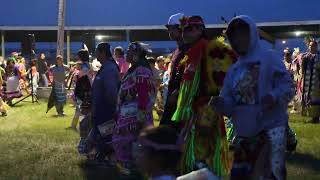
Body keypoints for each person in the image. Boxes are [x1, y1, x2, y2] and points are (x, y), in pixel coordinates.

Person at [211, 15, 294, 180]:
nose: (239, 39)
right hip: (243, 138)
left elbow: (288, 86)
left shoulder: (269, 58)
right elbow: (229, 103)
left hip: (270, 134)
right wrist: (221, 104)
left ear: (253, 34)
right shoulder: (234, 70)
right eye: (234, 36)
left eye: (243, 34)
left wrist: (273, 96)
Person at [171, 16, 232, 176]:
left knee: (203, 145)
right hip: (194, 106)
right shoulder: (192, 51)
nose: (185, 33)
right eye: (183, 30)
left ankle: (204, 175)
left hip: (206, 107)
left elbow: (225, 74)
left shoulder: (209, 48)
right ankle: (199, 173)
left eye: (190, 29)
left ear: (200, 30)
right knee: (195, 144)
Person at [112, 42, 156, 174]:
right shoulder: (135, 69)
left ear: (136, 54)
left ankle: (133, 168)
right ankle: (130, 167)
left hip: (135, 115)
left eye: (129, 51)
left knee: (130, 141)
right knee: (128, 141)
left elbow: (143, 93)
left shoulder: (141, 70)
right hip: (129, 113)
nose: (126, 54)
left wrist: (141, 115)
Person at [85, 42, 120, 162]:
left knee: (106, 136)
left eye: (97, 51)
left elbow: (111, 91)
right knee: (101, 135)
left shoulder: (110, 69)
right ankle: (101, 157)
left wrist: (112, 109)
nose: (95, 54)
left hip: (106, 110)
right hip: (101, 109)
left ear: (103, 53)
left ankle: (108, 160)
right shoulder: (106, 67)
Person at [160, 13, 189, 127]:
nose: (169, 32)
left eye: (171, 28)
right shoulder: (178, 50)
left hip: (183, 102)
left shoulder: (190, 49)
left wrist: (177, 91)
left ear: (180, 28)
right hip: (173, 100)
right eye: (168, 29)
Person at [301, 40, 320, 123]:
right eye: (309, 45)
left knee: (316, 99)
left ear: (316, 46)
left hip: (316, 81)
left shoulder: (319, 56)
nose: (311, 47)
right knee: (308, 98)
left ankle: (316, 118)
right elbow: (303, 70)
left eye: (312, 45)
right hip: (307, 81)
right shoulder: (306, 56)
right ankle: (312, 117)